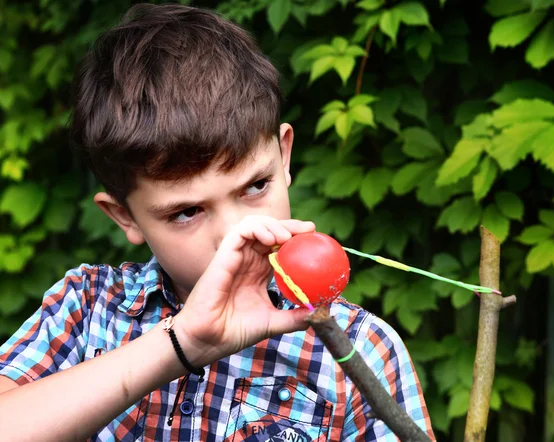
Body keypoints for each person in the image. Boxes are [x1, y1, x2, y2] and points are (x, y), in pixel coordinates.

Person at [0, 4, 434, 441]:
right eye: (186, 212)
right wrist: (183, 342)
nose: (236, 235)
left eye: (255, 186)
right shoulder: (84, 310)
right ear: (124, 216)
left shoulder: (361, 348)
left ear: (284, 157)